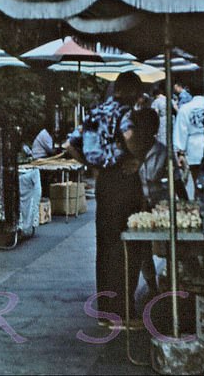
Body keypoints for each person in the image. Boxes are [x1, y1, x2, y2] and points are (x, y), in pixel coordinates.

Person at [62, 71, 157, 325]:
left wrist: (93, 165)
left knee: (106, 247)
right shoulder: (125, 113)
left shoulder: (93, 113)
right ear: (133, 91)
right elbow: (129, 138)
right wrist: (139, 156)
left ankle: (106, 310)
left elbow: (70, 145)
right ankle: (125, 312)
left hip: (103, 183)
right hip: (124, 182)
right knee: (129, 245)